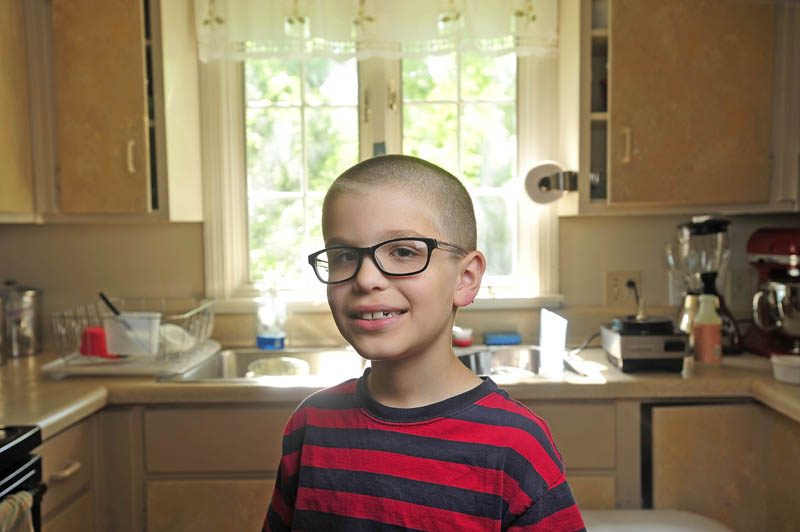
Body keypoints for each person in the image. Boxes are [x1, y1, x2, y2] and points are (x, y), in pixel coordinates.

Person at [262, 154, 585, 531]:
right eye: (344, 256)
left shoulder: (515, 447)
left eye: (403, 252)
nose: (366, 279)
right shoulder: (310, 423)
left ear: (465, 278)